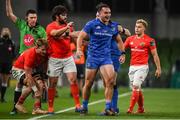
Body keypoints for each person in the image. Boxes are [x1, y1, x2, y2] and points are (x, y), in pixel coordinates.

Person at [76, 3, 125, 116]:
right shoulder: (92, 24)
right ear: (99, 14)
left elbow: (119, 40)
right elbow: (80, 36)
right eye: (105, 13)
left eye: (109, 13)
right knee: (88, 83)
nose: (108, 15)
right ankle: (84, 106)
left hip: (106, 58)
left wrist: (122, 53)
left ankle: (108, 108)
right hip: (93, 57)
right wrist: (79, 49)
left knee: (111, 82)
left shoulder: (113, 26)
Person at [6, 0, 47, 114]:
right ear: (27, 18)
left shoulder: (41, 30)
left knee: (38, 84)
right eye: (31, 17)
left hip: (33, 60)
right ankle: (16, 107)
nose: (33, 19)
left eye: (35, 17)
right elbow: (9, 14)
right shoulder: (22, 25)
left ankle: (35, 107)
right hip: (23, 59)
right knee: (26, 84)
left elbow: (44, 44)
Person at [46, 5, 81, 114]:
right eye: (63, 15)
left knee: (73, 80)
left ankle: (78, 105)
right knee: (52, 83)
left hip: (68, 57)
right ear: (57, 16)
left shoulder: (68, 26)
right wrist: (67, 28)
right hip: (54, 59)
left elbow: (73, 37)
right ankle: (50, 107)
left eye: (66, 14)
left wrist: (78, 48)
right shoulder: (50, 26)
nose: (66, 17)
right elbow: (55, 34)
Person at [124, 19, 161, 114]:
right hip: (132, 67)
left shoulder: (150, 40)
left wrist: (158, 68)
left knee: (136, 85)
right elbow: (122, 49)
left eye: (139, 27)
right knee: (137, 88)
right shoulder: (130, 39)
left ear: (144, 28)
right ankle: (141, 109)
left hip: (142, 67)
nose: (137, 28)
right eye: (136, 26)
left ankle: (130, 109)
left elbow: (155, 55)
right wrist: (121, 55)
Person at [12, 39, 48, 114]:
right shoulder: (30, 54)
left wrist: (44, 79)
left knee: (41, 85)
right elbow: (28, 75)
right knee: (32, 86)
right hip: (18, 70)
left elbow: (45, 66)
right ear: (36, 47)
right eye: (43, 50)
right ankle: (19, 104)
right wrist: (35, 90)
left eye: (46, 50)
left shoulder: (44, 54)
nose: (45, 51)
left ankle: (36, 108)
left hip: (31, 69)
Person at [109, 24, 131, 115]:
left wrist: (122, 29)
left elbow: (129, 34)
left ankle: (114, 108)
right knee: (107, 83)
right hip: (102, 56)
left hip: (114, 55)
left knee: (112, 81)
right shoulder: (94, 26)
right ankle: (109, 108)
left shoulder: (113, 25)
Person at [0, 27, 15, 102]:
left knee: (4, 81)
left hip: (8, 64)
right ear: (1, 32)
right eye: (4, 30)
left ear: (9, 32)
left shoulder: (11, 42)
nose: (6, 31)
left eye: (7, 30)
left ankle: (2, 98)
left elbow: (13, 54)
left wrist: (12, 63)